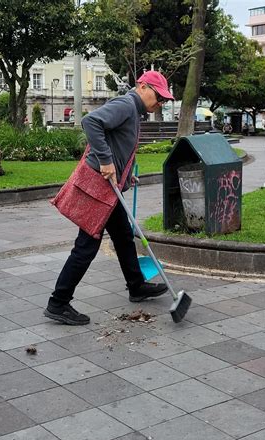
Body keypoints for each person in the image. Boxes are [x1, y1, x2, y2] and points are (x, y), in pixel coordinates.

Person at [45, 71, 173, 325]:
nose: (160, 103)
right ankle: (58, 303)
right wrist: (105, 161)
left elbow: (118, 145)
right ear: (143, 86)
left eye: (164, 101)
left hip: (110, 188)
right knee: (87, 245)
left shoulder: (135, 111)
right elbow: (91, 122)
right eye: (159, 97)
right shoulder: (126, 105)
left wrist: (125, 177)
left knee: (124, 236)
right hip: (98, 189)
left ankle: (136, 285)